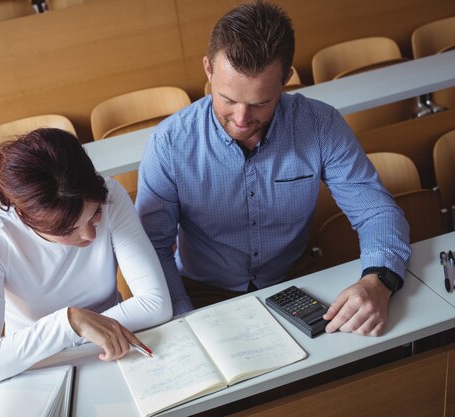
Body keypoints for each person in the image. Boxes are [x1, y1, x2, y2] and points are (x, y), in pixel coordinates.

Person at [136, 1, 410, 336]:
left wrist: (378, 280)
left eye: (260, 103)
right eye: (228, 99)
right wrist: (181, 318)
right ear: (208, 69)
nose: (241, 118)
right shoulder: (168, 144)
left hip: (297, 279)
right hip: (202, 291)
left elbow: (376, 211)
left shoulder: (320, 125)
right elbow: (154, 248)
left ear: (286, 79)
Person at [0, 128, 172, 392]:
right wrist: (71, 323)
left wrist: (86, 330)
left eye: (93, 215)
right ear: (27, 219)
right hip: (37, 371)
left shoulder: (111, 196)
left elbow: (156, 304)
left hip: (113, 351)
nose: (90, 235)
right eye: (67, 230)